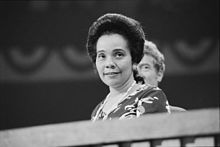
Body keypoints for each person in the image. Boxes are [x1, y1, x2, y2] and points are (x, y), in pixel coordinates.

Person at [86, 13, 171, 121]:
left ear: (134, 58)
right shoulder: (97, 111)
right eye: (102, 56)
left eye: (118, 54)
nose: (109, 63)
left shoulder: (150, 96)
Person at [137, 40, 186, 112]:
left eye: (145, 67)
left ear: (159, 73)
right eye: (132, 69)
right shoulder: (116, 118)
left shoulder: (179, 115)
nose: (138, 75)